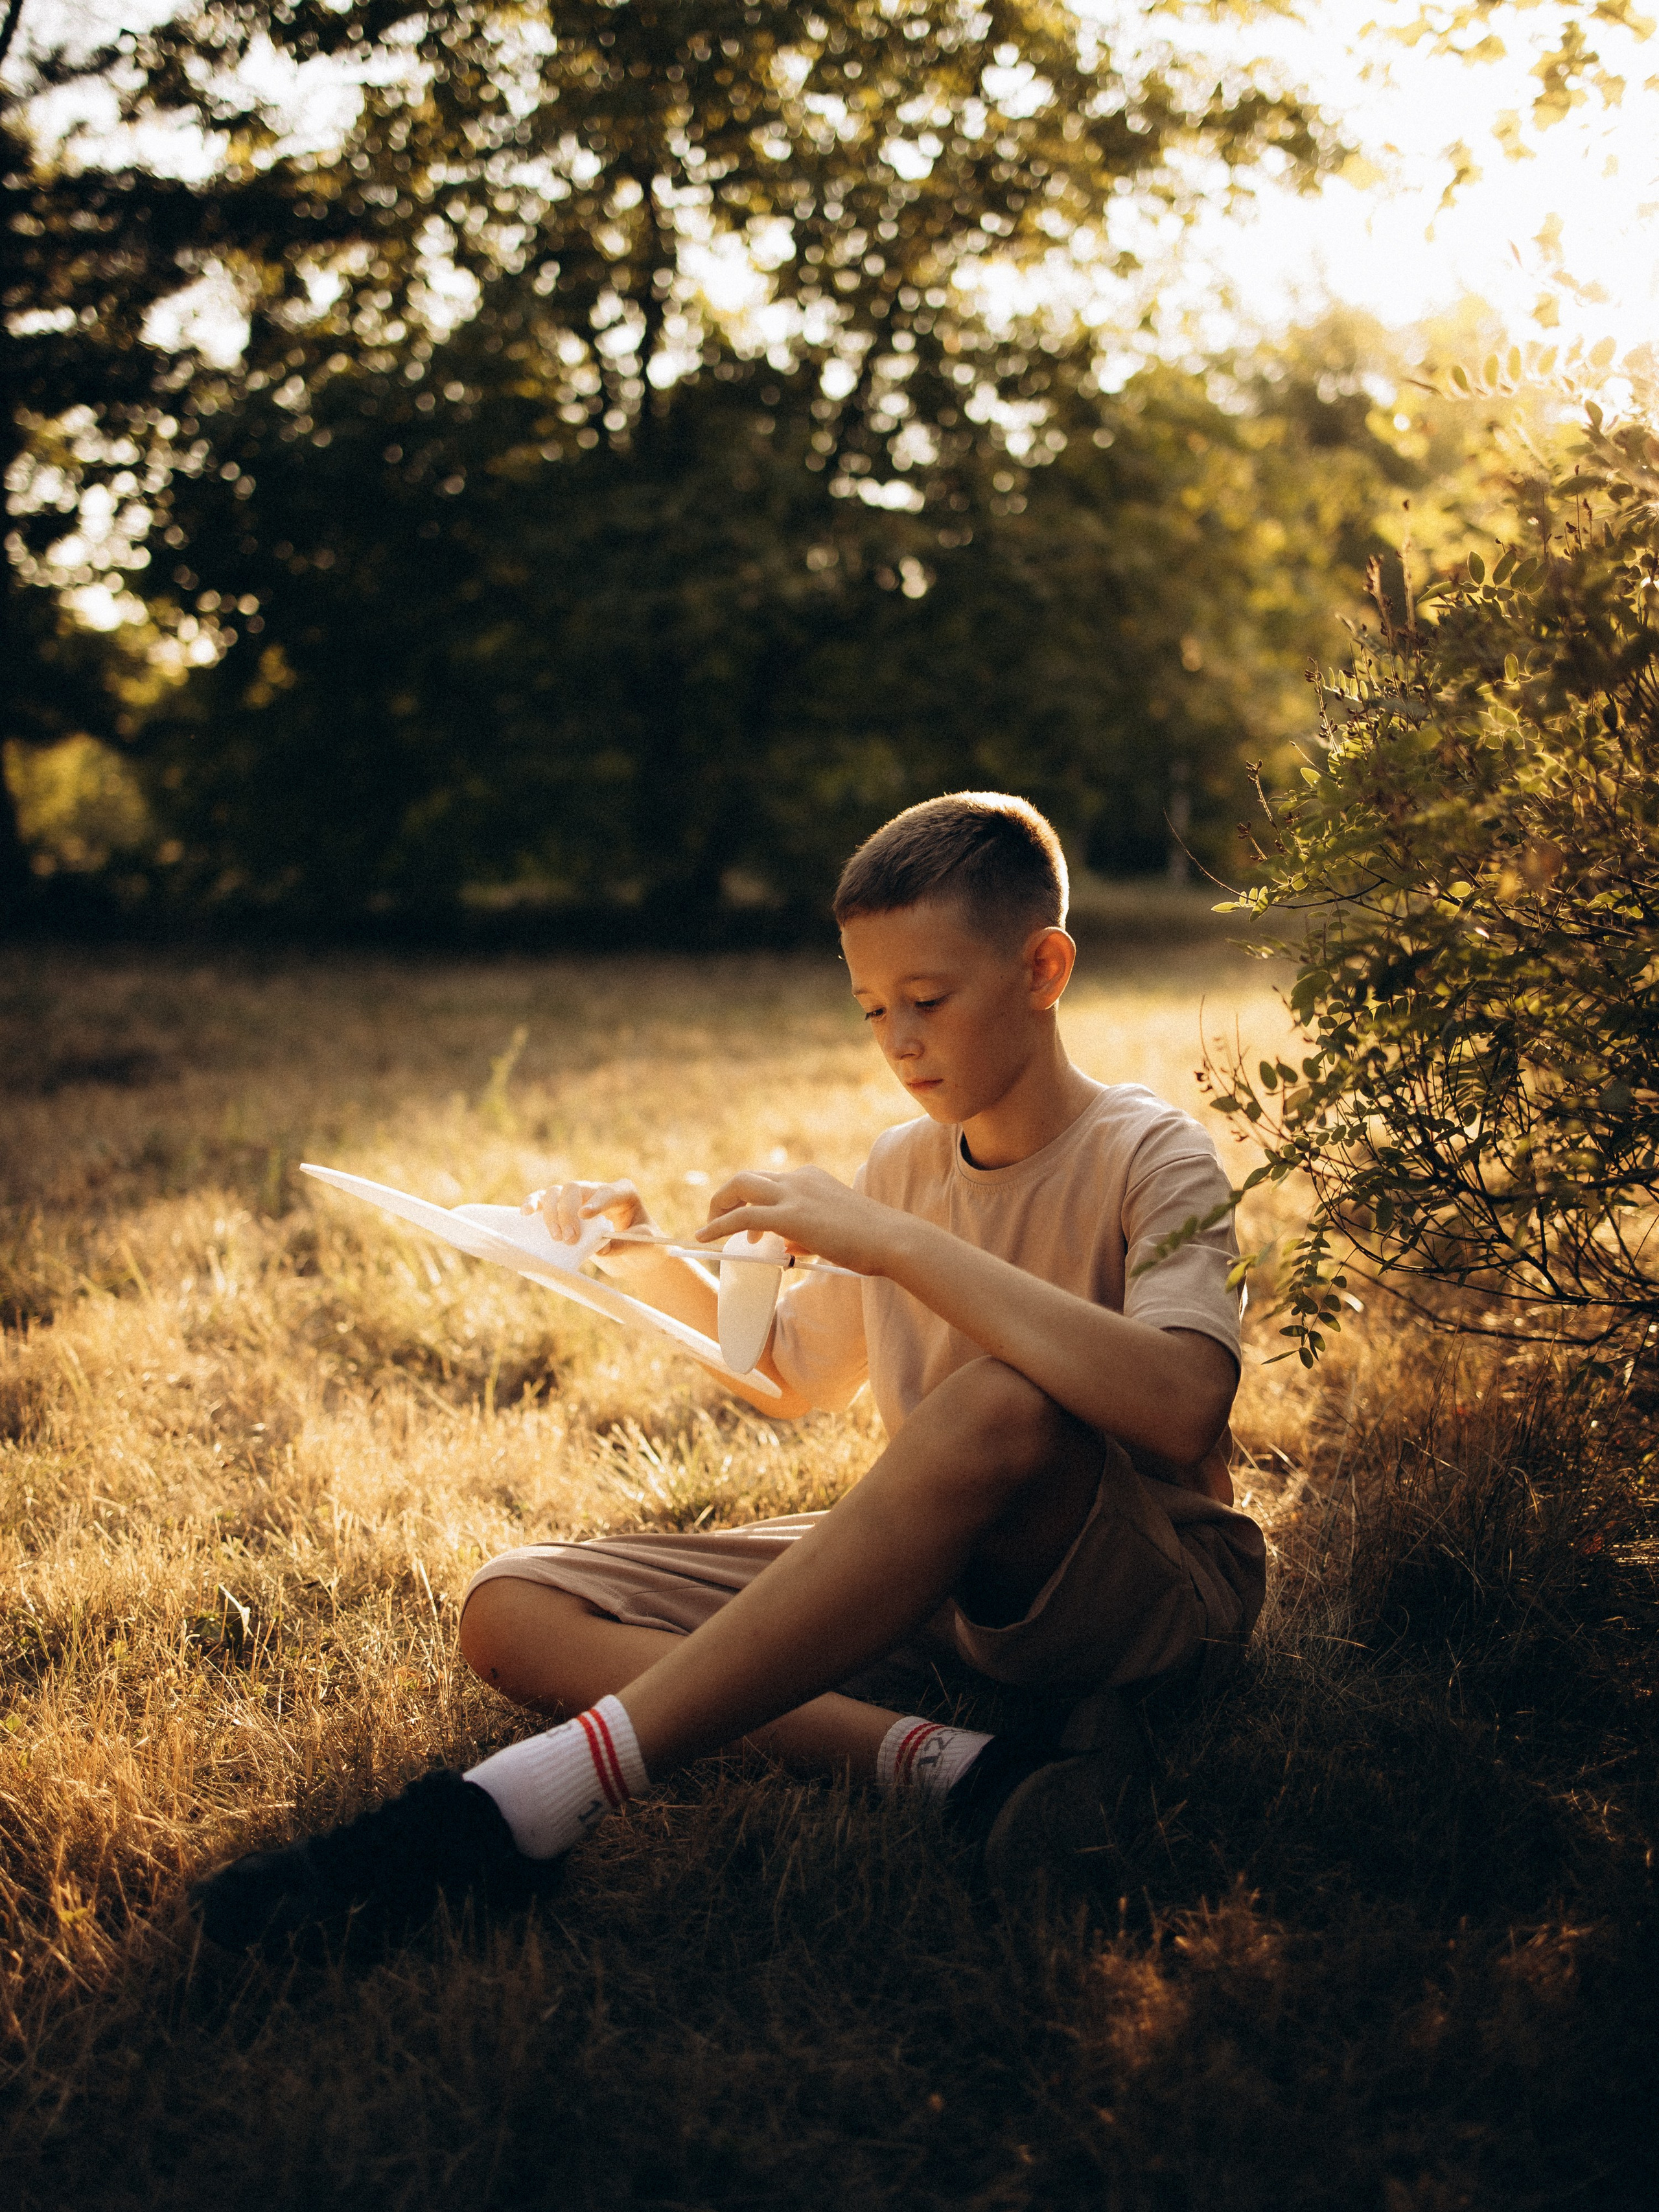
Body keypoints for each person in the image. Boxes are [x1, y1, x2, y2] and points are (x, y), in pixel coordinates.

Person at [195, 792, 1264, 1951]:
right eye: (870, 1008)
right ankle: (956, 1766)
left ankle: (529, 1799)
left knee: (999, 1401)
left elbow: (1182, 1398)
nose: (899, 1041)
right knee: (515, 1604)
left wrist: (892, 1241)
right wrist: (638, 1253)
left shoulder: (1152, 1154)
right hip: (957, 1596)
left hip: (1146, 1602)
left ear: (1044, 968)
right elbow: (796, 1373)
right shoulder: (904, 1163)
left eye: (928, 1001)